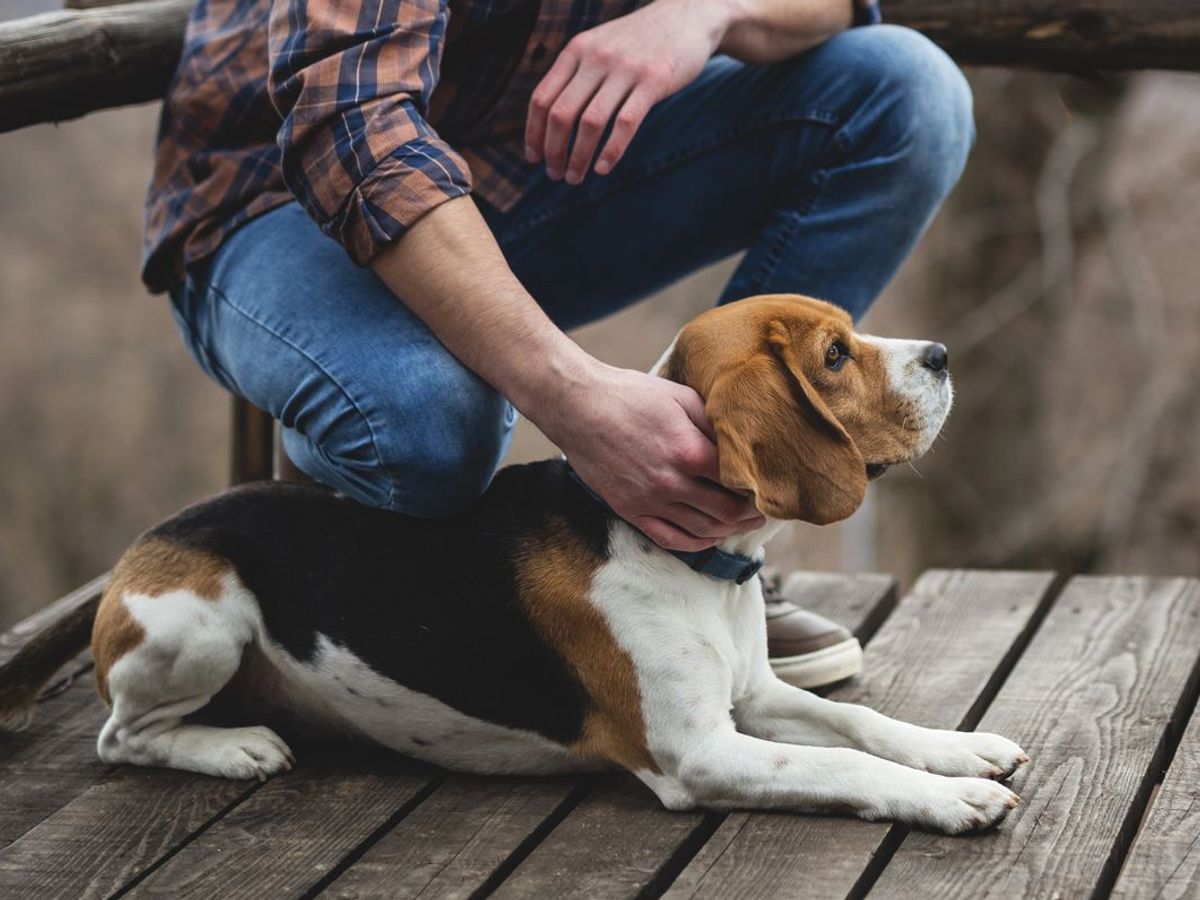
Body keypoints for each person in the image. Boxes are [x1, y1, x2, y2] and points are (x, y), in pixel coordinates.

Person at [144, 0, 973, 689]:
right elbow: (347, 125)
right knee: (428, 426)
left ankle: (710, 548)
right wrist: (572, 396)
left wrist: (707, 13)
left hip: (529, 173)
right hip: (280, 200)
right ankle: (335, 564)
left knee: (910, 93)